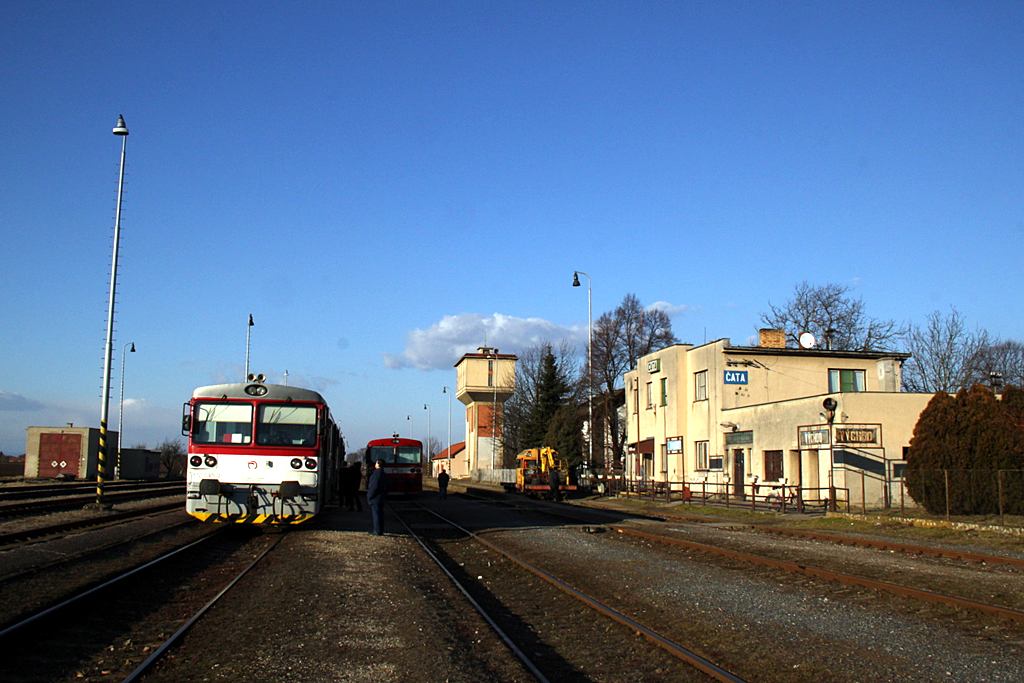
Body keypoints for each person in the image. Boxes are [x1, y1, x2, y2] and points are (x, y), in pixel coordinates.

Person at [366, 458, 389, 535]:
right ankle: (380, 530)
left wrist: (369, 496)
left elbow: (373, 486)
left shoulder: (376, 474)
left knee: (376, 514)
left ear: (378, 464)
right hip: (381, 496)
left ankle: (377, 530)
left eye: (376, 463)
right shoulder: (383, 473)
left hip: (375, 497)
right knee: (380, 514)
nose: (375, 464)